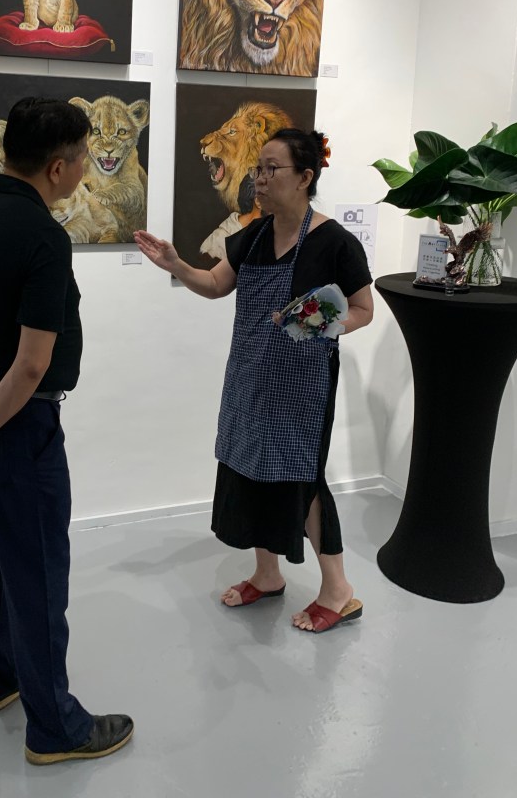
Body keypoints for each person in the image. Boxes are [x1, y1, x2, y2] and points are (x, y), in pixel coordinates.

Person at [0, 97, 133, 763]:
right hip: (14, 422)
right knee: (37, 570)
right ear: (57, 167)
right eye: (82, 159)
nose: (85, 169)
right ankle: (56, 728)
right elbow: (32, 363)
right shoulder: (45, 236)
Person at [134, 129, 373, 634]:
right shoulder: (253, 236)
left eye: (271, 169)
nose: (259, 179)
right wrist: (176, 265)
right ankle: (268, 574)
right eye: (258, 169)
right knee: (250, 468)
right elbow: (216, 284)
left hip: (304, 389)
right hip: (249, 377)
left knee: (303, 480)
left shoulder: (334, 242)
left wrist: (321, 322)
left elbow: (362, 309)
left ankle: (338, 590)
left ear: (304, 177)